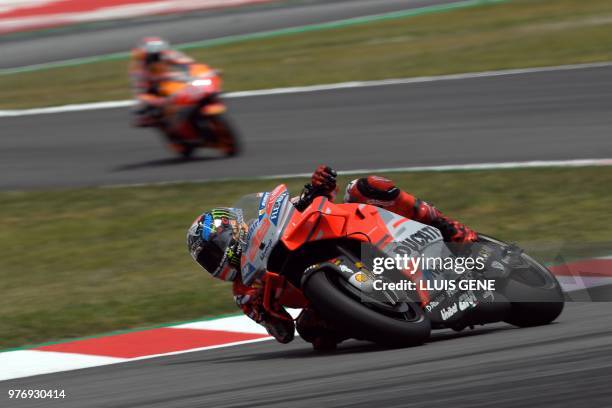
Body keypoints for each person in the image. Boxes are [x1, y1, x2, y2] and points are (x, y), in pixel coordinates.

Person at [187, 165, 478, 349]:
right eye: (208, 261)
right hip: (319, 294)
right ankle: (382, 319)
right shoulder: (244, 293)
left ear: (235, 229)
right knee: (313, 333)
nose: (217, 261)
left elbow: (303, 201)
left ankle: (445, 225)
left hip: (344, 230)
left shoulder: (262, 227)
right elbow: (283, 332)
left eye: (215, 250)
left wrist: (319, 184)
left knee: (367, 186)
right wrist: (271, 310)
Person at [129, 37, 196, 127]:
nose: (156, 58)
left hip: (170, 82)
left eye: (158, 54)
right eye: (153, 56)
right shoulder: (138, 68)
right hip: (153, 89)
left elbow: (189, 63)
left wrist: (192, 70)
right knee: (144, 109)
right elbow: (140, 92)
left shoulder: (167, 54)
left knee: (192, 87)